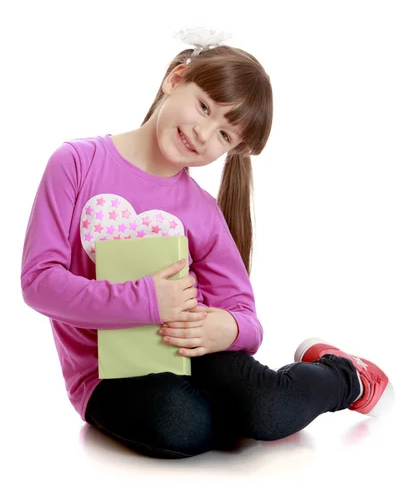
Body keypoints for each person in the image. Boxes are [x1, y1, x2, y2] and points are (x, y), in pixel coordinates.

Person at [21, 27, 395, 460]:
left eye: (223, 136)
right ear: (175, 79)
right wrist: (147, 301)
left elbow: (246, 318)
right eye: (204, 107)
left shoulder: (201, 210)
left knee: (270, 411)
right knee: (183, 425)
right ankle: (239, 410)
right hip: (106, 376)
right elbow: (38, 282)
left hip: (194, 354)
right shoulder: (76, 163)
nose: (202, 134)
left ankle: (342, 374)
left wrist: (229, 328)